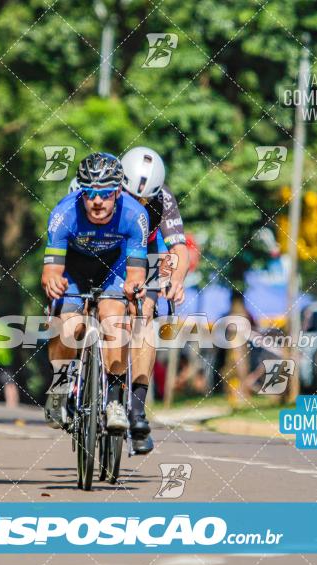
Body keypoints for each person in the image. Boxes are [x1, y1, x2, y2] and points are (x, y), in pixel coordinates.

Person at [42, 152, 149, 433]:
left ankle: (114, 400)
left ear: (117, 192)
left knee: (113, 317)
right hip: (74, 270)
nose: (97, 200)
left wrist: (132, 287)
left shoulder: (135, 215)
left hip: (115, 267)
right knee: (69, 326)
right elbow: (51, 271)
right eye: (89, 192)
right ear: (81, 192)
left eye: (104, 193)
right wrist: (53, 283)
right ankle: (60, 385)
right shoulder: (64, 214)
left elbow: (136, 274)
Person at [119, 146, 190, 454]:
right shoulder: (106, 192)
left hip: (146, 254)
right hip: (108, 250)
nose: (138, 204)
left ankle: (137, 409)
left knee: (145, 313)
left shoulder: (164, 199)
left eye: (144, 199)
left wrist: (176, 280)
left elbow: (179, 248)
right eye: (131, 197)